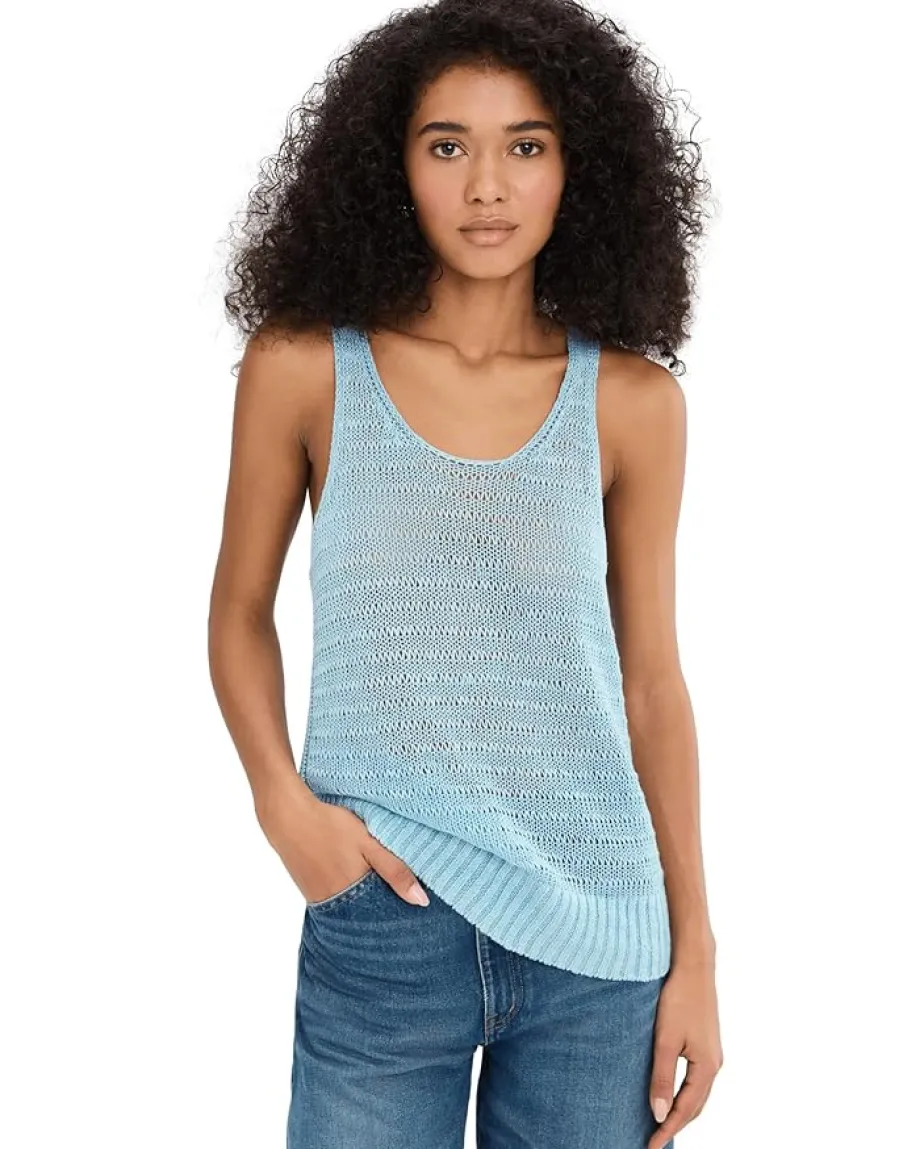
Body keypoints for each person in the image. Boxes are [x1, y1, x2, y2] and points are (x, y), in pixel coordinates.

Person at [208, 0, 722, 1145]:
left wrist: (695, 951)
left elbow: (651, 685)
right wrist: (282, 805)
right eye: (447, 146)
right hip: (384, 913)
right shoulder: (305, 368)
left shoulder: (633, 404)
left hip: (600, 943)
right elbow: (238, 611)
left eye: (523, 146)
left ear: (577, 167)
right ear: (390, 164)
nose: (486, 187)